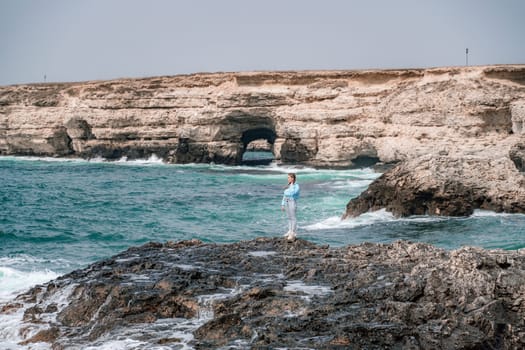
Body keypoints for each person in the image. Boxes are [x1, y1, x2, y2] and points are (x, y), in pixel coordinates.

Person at [281, 173, 300, 241]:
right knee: (289, 217)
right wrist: (282, 204)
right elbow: (284, 195)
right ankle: (289, 231)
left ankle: (293, 232)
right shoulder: (288, 186)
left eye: (289, 177)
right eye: (287, 177)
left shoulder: (296, 186)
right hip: (286, 202)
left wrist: (287, 190)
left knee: (293, 218)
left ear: (292, 178)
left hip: (292, 202)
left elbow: (293, 193)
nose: (288, 179)